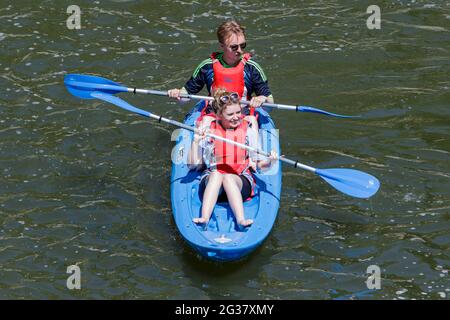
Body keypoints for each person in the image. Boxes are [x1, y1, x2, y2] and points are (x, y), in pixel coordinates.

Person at [188, 89, 277, 228]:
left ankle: (241, 220)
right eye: (230, 114)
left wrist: (271, 161)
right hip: (212, 185)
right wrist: (196, 141)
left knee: (228, 177)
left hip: (239, 181)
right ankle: (204, 217)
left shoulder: (248, 131)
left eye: (238, 112)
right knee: (217, 174)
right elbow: (192, 165)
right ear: (219, 115)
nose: (236, 117)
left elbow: (260, 165)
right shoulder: (209, 131)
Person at [168, 19, 274, 124]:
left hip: (242, 115)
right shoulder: (207, 66)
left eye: (243, 45)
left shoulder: (252, 68)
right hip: (214, 115)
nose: (240, 50)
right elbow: (186, 96)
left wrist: (262, 99)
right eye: (234, 47)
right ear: (222, 46)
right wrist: (177, 94)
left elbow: (270, 103)